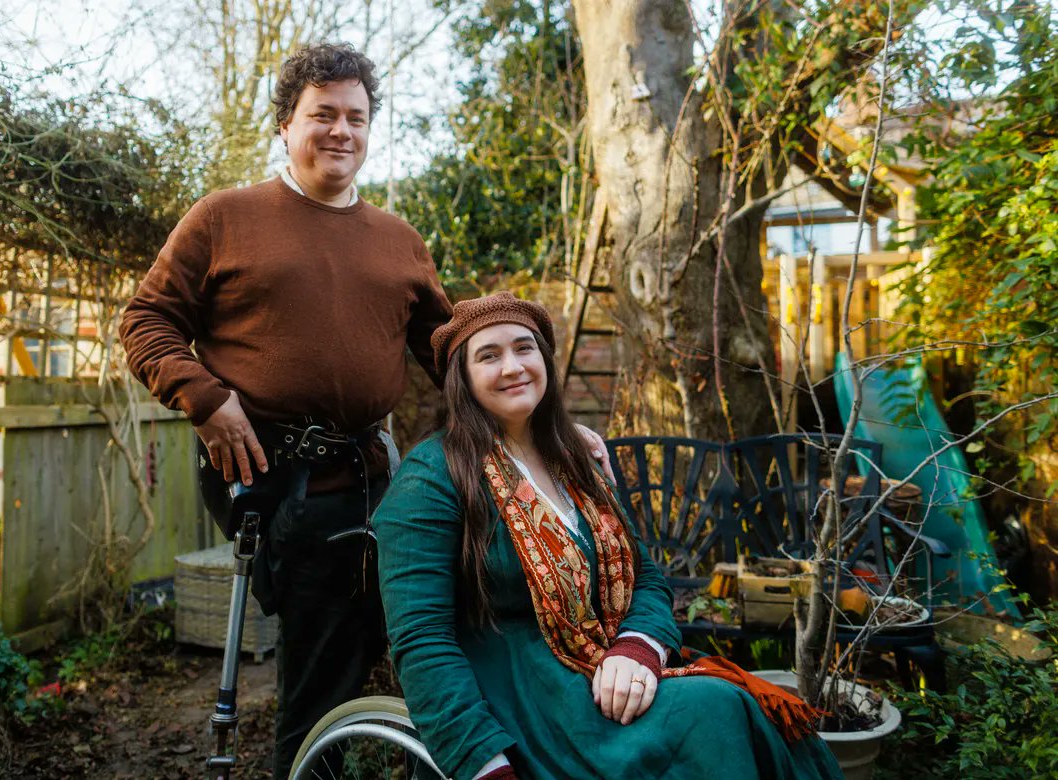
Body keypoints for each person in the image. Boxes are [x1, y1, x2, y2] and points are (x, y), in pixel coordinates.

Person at [119, 44, 613, 776]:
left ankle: (454, 755)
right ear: (285, 125)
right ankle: (312, 763)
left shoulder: (398, 241)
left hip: (376, 471)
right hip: (273, 475)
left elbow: (455, 355)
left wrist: (550, 426)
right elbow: (146, 321)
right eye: (323, 115)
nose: (341, 131)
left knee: (438, 623)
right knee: (324, 661)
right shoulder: (225, 217)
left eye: (356, 117)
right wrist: (208, 400)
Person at [373, 292, 844, 780]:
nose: (512, 367)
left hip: (604, 679)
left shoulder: (573, 459)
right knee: (714, 713)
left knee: (744, 713)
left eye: (524, 348)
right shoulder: (432, 477)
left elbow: (647, 578)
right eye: (488, 356)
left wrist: (637, 647)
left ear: (546, 361)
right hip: (523, 707)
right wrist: (486, 765)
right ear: (462, 379)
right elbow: (422, 641)